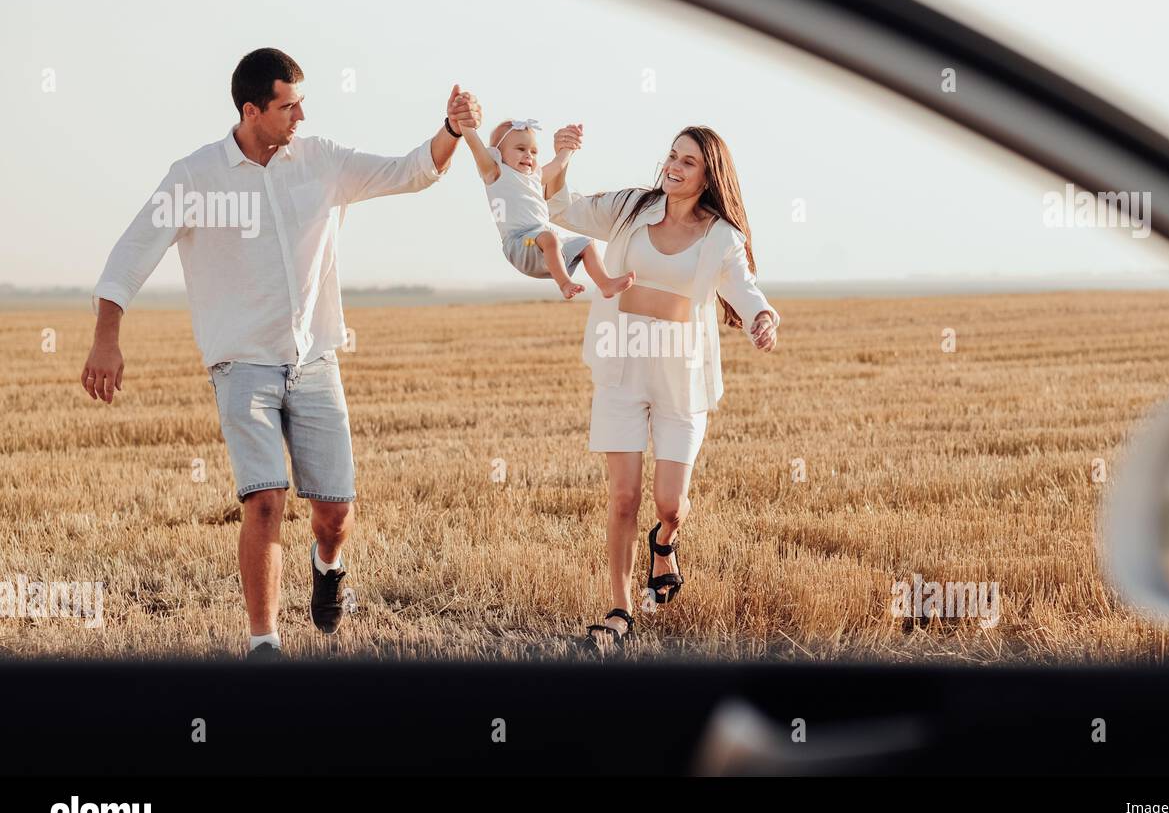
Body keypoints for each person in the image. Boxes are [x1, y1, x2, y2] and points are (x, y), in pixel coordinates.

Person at [79, 47, 482, 660]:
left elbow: (411, 171)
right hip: (241, 364)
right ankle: (264, 644)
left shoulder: (321, 160)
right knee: (265, 501)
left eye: (303, 102)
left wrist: (450, 130)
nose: (302, 115)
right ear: (251, 110)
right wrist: (106, 338)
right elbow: (132, 252)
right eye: (289, 105)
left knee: (334, 514)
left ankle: (328, 565)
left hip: (316, 360)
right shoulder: (195, 176)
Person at [543, 123, 780, 652]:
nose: (673, 166)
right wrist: (560, 157)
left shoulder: (722, 236)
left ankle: (665, 543)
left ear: (708, 174)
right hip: (621, 371)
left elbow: (744, 288)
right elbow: (560, 207)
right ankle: (619, 608)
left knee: (669, 503)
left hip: (681, 377)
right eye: (672, 156)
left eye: (688, 161)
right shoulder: (630, 206)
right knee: (623, 496)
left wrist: (763, 316)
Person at [460, 115, 634, 299]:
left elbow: (558, 164)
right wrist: (465, 125)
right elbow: (475, 146)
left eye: (533, 152)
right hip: (520, 244)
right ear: (497, 153)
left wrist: (569, 148)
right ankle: (565, 284)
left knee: (586, 243)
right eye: (520, 149)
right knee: (549, 237)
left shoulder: (534, 177)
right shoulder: (495, 173)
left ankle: (605, 283)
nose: (528, 155)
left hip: (544, 243)